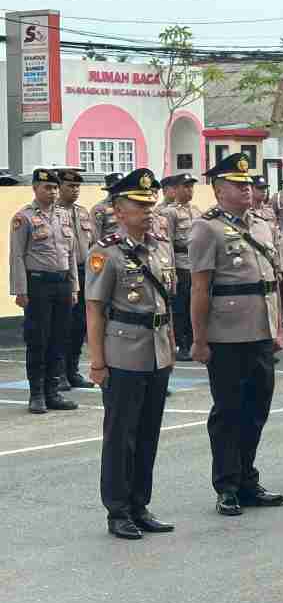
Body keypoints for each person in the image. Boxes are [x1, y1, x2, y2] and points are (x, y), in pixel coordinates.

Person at [189, 152, 283, 517]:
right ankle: (227, 485)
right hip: (226, 334)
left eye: (249, 184)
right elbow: (200, 288)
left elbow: (271, 283)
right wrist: (199, 339)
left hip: (260, 330)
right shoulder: (206, 228)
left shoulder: (262, 224)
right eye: (238, 185)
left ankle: (248, 478)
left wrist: (276, 328)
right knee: (228, 413)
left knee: (256, 409)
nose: (247, 190)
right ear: (218, 190)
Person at [86, 168, 176, 540]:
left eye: (150, 203)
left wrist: (170, 344)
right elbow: (94, 309)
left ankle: (140, 504)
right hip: (123, 351)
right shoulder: (105, 252)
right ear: (119, 210)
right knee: (121, 434)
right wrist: (97, 361)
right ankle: (118, 510)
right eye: (138, 205)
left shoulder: (159, 246)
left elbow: (167, 300)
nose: (148, 210)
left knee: (148, 433)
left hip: (157, 350)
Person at [10, 168, 80, 413]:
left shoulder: (63, 216)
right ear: (35, 188)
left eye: (54, 188)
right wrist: (20, 289)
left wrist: (74, 286)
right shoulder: (24, 217)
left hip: (62, 284)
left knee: (59, 338)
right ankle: (37, 394)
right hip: (37, 284)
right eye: (46, 188)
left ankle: (53, 393)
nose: (51, 192)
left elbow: (70, 255)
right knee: (38, 340)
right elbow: (17, 256)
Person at [57, 168, 96, 389]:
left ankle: (73, 371)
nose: (75, 190)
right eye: (70, 186)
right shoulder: (54, 212)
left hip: (85, 271)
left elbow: (93, 244)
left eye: (77, 186)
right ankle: (60, 373)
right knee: (63, 324)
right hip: (65, 274)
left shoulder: (83, 213)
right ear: (60, 187)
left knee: (80, 324)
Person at [159, 173, 201, 361]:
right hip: (181, 264)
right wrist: (172, 270)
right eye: (186, 187)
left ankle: (194, 341)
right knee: (181, 308)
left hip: (196, 264)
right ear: (176, 189)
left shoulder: (196, 211)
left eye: (191, 187)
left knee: (196, 305)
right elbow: (166, 243)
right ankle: (182, 345)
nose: (190, 190)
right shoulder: (169, 213)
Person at [92, 172, 124, 239]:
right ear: (110, 190)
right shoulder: (99, 209)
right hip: (109, 247)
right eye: (117, 188)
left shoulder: (129, 206)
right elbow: (95, 236)